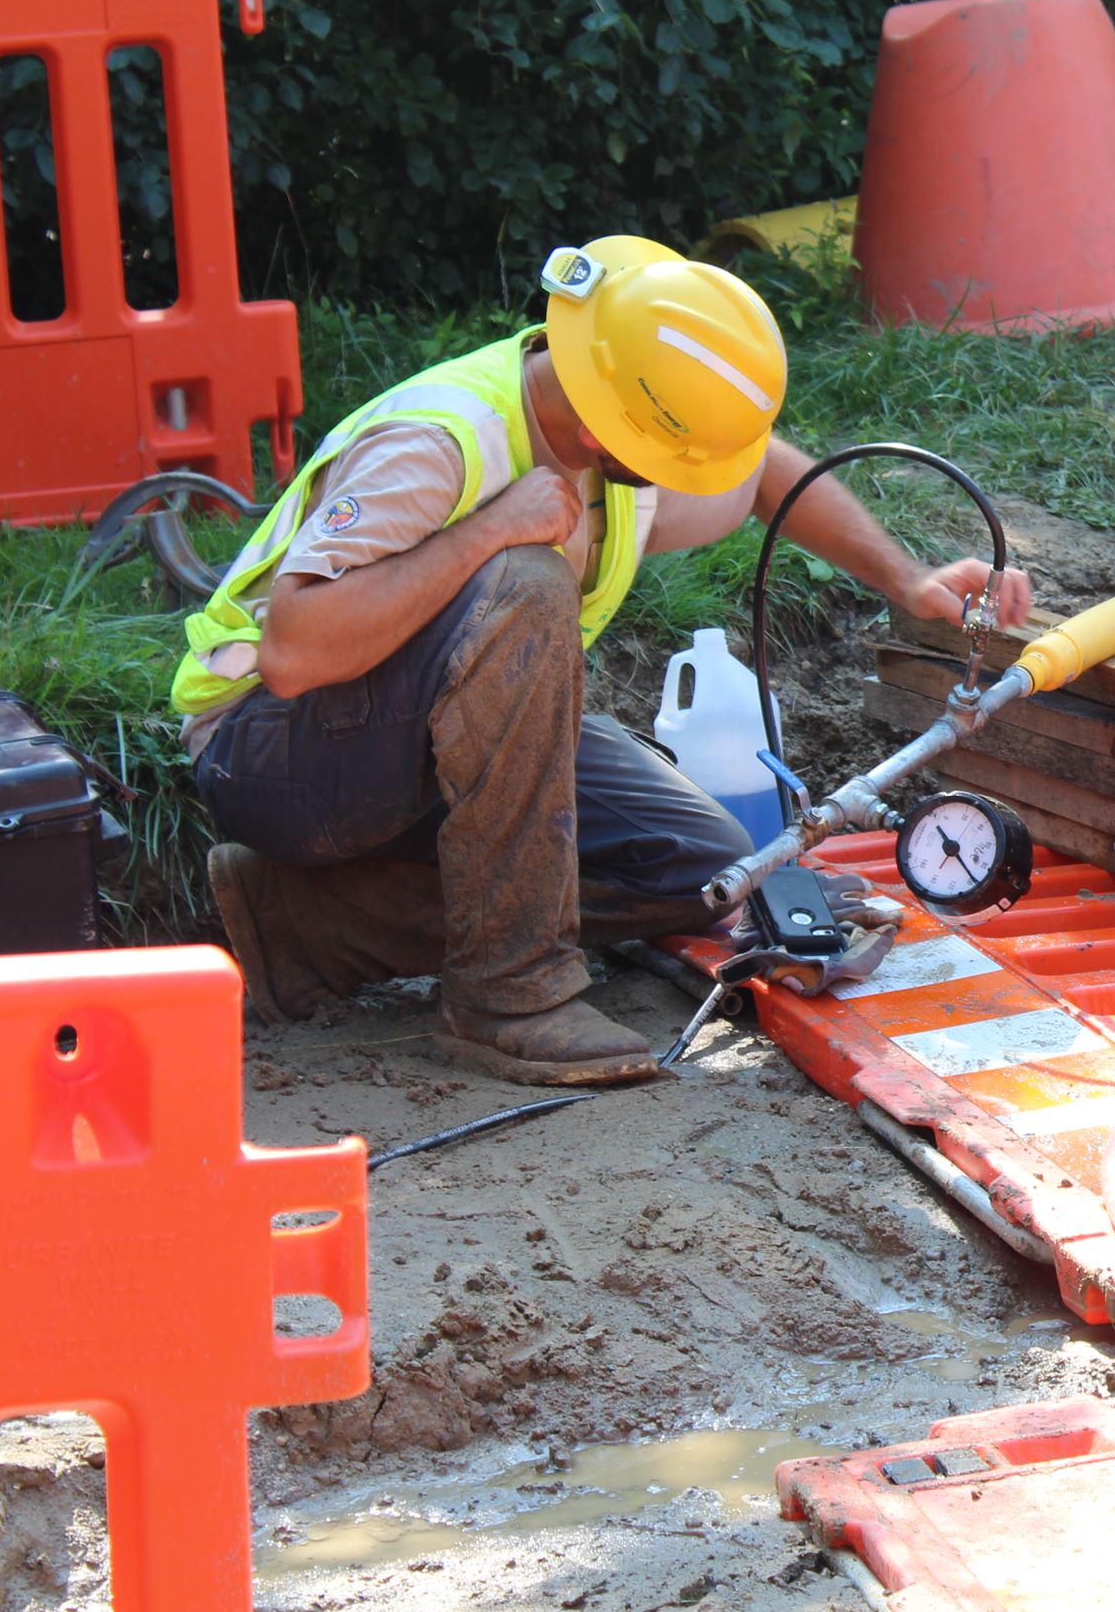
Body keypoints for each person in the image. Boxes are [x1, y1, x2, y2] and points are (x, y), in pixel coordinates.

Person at [171, 235, 1031, 1087]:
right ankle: (508, 998)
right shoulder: (440, 442)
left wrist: (907, 579)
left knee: (708, 870)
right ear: (601, 422)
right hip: (273, 749)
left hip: (424, 737)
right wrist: (492, 530)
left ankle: (302, 927)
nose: (682, 473)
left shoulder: (612, 439)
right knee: (525, 578)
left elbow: (762, 469)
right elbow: (293, 650)